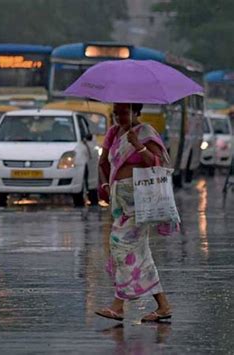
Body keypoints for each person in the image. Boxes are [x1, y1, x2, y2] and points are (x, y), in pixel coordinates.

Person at [95, 103, 173, 322]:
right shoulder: (113, 133)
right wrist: (106, 185)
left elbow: (158, 164)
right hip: (120, 201)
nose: (119, 117)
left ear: (136, 112)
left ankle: (118, 306)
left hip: (141, 201)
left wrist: (139, 146)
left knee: (122, 248)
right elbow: (104, 162)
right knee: (140, 253)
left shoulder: (146, 132)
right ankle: (163, 305)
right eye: (116, 113)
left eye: (124, 112)